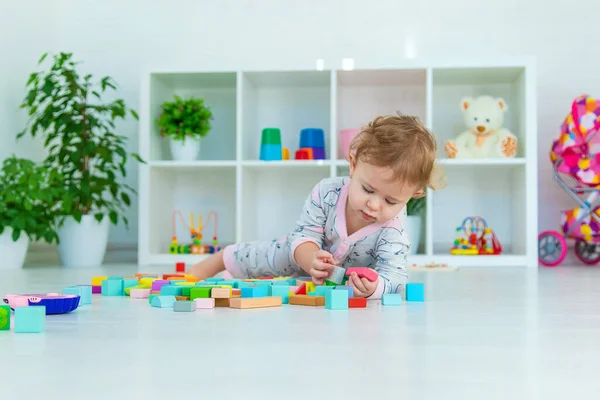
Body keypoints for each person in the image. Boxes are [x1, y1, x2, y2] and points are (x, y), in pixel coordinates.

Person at [188, 113, 446, 299]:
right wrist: (309, 256)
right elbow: (304, 234)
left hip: (337, 280)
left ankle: (227, 282)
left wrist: (376, 287)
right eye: (367, 189)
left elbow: (396, 275)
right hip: (302, 254)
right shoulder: (327, 192)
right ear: (353, 164)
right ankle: (209, 266)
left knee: (288, 286)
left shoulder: (394, 230)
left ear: (413, 194)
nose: (374, 205)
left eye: (391, 201)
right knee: (267, 256)